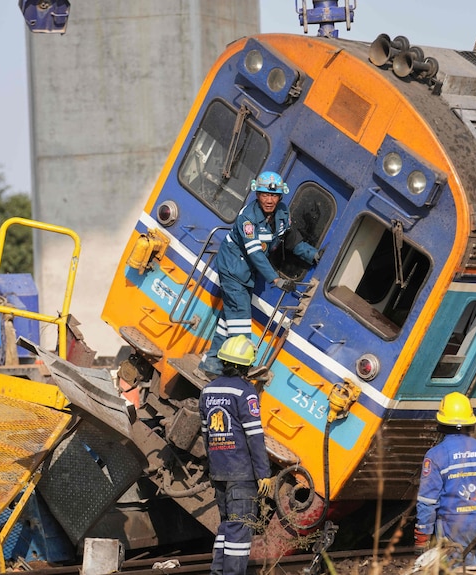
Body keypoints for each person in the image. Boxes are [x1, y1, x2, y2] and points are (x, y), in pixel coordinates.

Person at [195, 170, 319, 381]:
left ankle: (211, 365)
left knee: (229, 318)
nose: (269, 200)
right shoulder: (248, 219)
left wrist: (313, 255)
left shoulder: (282, 213)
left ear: (280, 196)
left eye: (273, 195)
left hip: (247, 273)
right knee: (240, 317)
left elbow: (291, 240)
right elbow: (255, 254)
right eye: (264, 194)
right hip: (233, 269)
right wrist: (276, 279)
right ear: (257, 195)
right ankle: (242, 367)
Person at [199, 335, 274, 575]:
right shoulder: (245, 392)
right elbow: (254, 436)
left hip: (219, 470)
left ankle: (217, 572)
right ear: (246, 365)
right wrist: (263, 474)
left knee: (226, 528)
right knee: (240, 531)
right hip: (242, 473)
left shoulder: (207, 391)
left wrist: (213, 466)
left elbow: (206, 435)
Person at [413, 392, 476, 568]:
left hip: (452, 523)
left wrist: (422, 537)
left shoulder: (435, 455)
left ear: (441, 423)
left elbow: (427, 502)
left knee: (453, 568)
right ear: (470, 422)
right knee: (472, 565)